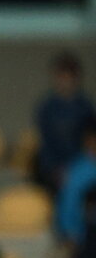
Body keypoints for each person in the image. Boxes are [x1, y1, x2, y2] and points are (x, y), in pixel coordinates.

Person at [35, 53, 95, 194]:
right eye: (61, 77)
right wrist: (56, 168)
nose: (65, 81)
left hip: (80, 163)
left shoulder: (85, 106)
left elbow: (90, 139)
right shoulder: (47, 107)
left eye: (69, 77)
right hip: (54, 165)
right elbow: (47, 143)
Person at [56, 118, 96, 249]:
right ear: (87, 140)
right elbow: (67, 205)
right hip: (82, 240)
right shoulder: (76, 170)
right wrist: (70, 236)